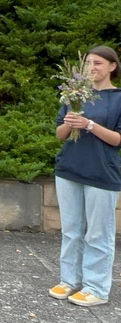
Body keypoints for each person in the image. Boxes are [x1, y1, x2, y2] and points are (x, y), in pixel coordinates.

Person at [50, 46, 121, 307]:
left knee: (98, 234)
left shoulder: (118, 98)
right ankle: (70, 280)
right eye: (88, 62)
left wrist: (90, 125)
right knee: (71, 230)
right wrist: (71, 122)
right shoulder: (75, 95)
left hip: (102, 173)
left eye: (98, 63)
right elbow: (60, 135)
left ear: (112, 66)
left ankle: (97, 288)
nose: (92, 67)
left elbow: (117, 139)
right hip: (69, 169)